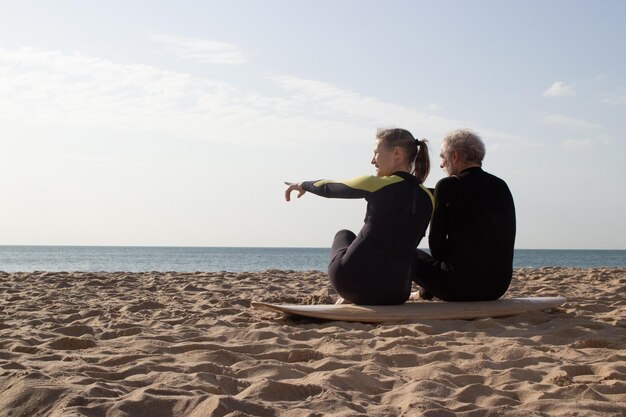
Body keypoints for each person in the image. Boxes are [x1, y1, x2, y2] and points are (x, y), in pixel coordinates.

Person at [285, 128, 434, 305]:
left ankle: (349, 297)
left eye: (376, 153)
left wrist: (303, 185)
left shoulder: (376, 184)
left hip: (352, 284)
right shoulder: (429, 197)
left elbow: (330, 187)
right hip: (396, 293)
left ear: (396, 153)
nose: (372, 160)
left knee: (344, 235)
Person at [413, 129, 516, 301]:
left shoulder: (448, 185)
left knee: (402, 251)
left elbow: (436, 248)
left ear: (454, 156)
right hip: (497, 287)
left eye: (442, 157)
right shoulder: (501, 186)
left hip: (458, 288)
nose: (441, 164)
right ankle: (424, 293)